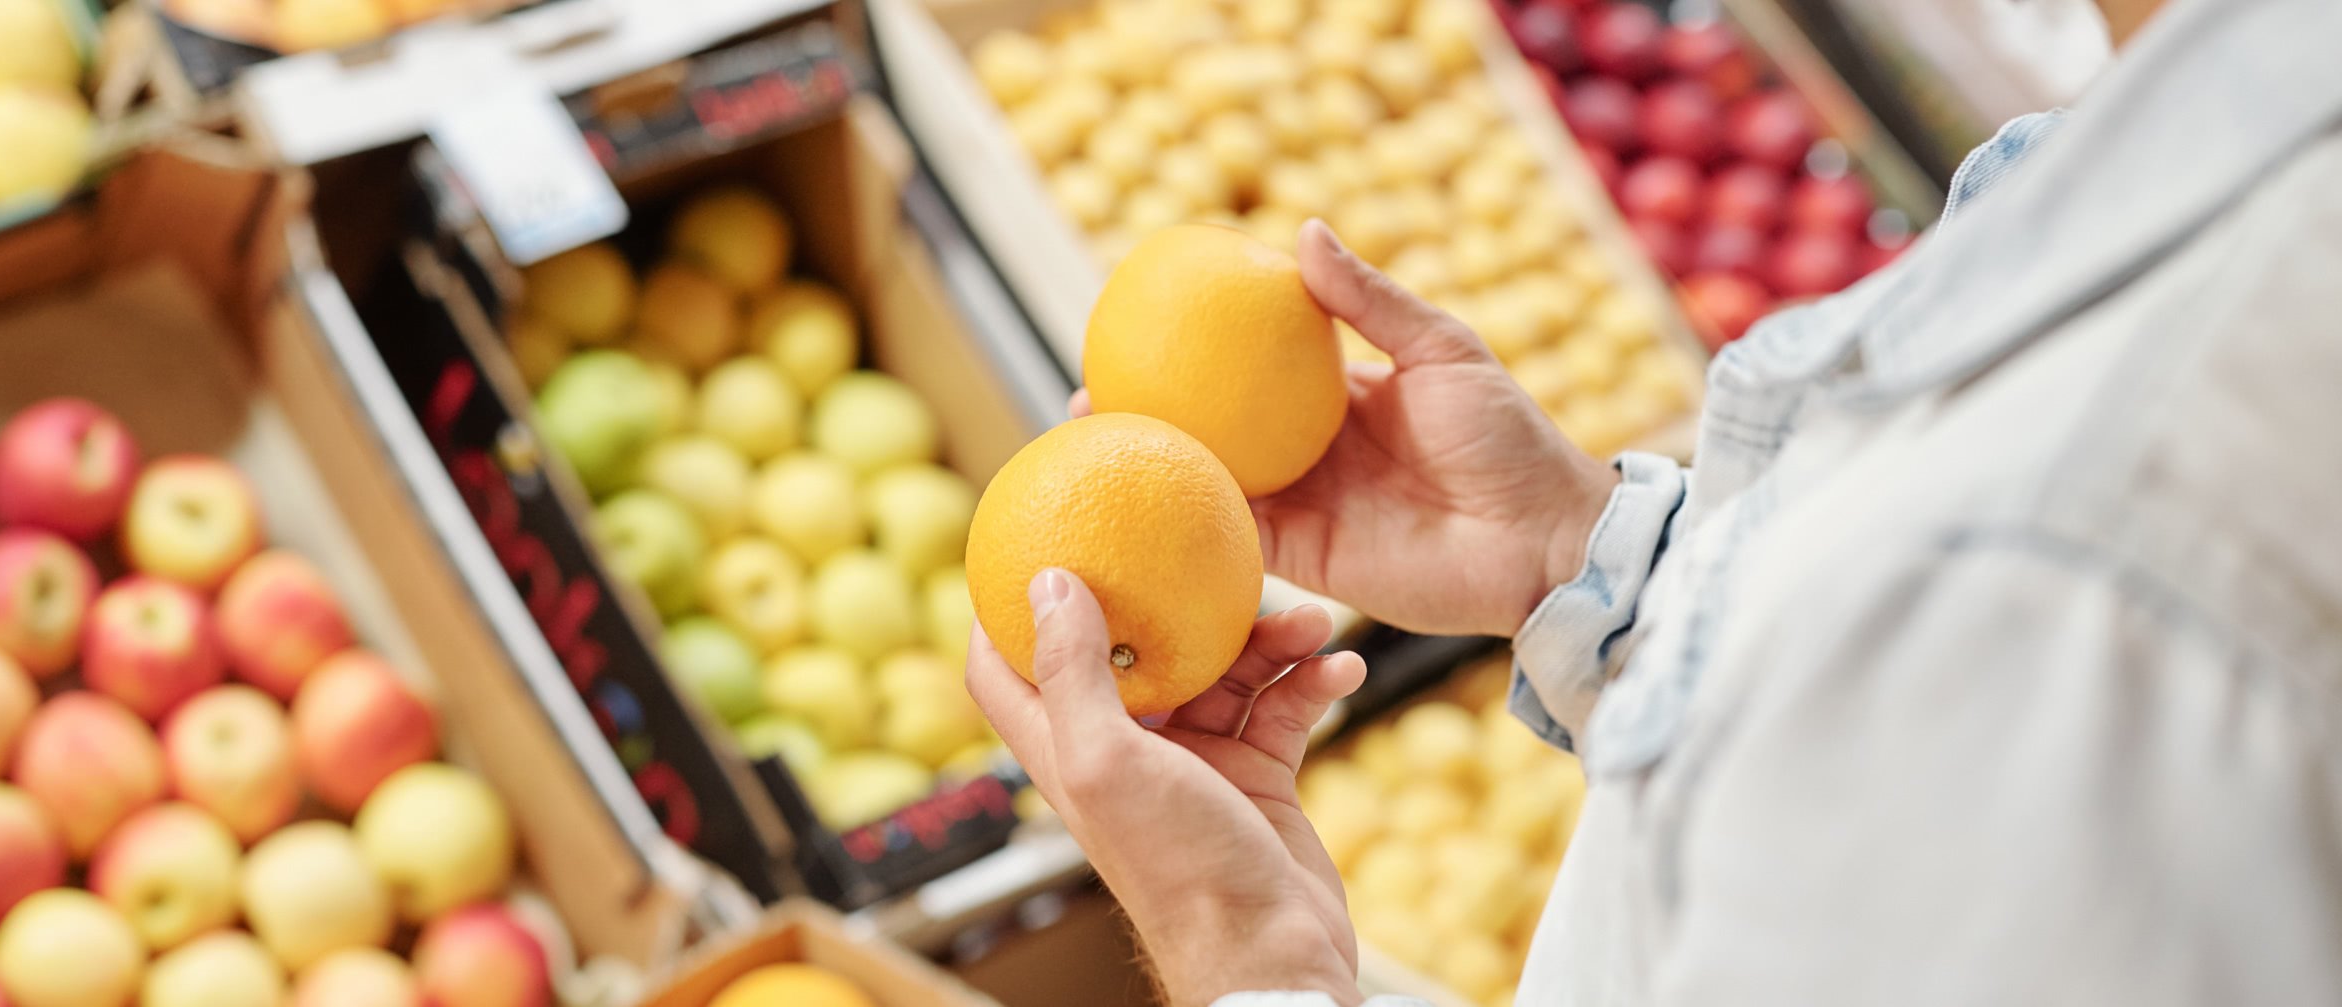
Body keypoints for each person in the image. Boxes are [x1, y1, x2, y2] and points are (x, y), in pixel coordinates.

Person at [963, 0, 2342, 1003]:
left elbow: (1963, 644)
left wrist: (1249, 955)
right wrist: (1583, 557)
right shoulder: (2205, 155)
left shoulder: (2056, 578)